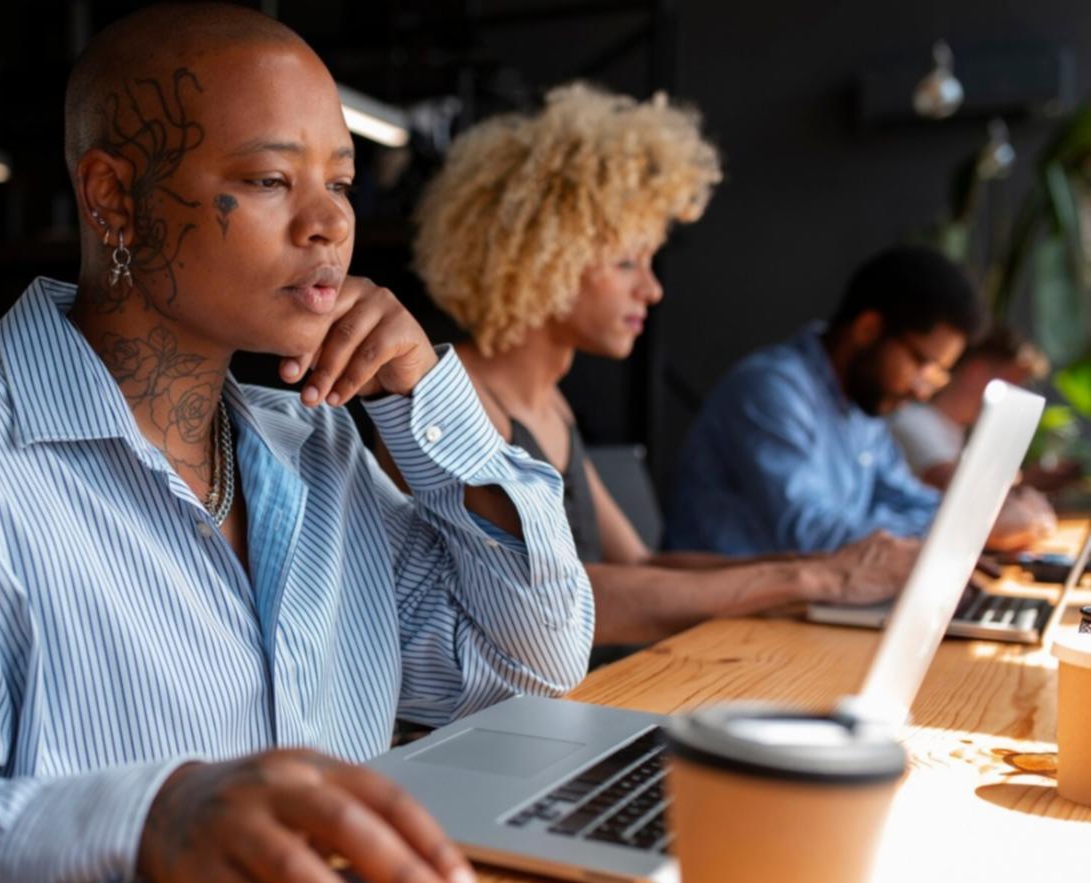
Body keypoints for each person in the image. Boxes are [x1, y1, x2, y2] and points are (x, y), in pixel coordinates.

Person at [0, 6, 595, 883]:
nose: (329, 223)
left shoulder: (316, 450)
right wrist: (146, 825)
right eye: (268, 180)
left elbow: (530, 658)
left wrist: (429, 404)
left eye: (340, 182)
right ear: (115, 200)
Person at [407, 83, 918, 646]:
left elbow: (643, 564)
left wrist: (835, 570)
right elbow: (550, 599)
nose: (651, 290)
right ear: (541, 257)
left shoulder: (551, 403)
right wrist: (814, 577)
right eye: (628, 263)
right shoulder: (460, 401)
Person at [665, 245, 1051, 556]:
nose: (923, 389)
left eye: (937, 373)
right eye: (921, 363)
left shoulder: (863, 406)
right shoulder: (771, 389)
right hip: (710, 628)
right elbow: (808, 534)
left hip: (794, 613)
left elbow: (903, 497)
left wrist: (984, 511)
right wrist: (972, 526)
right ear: (868, 328)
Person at [890, 322, 1049, 488]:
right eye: (1013, 385)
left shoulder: (957, 433)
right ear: (976, 372)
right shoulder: (913, 421)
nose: (1015, 399)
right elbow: (951, 486)